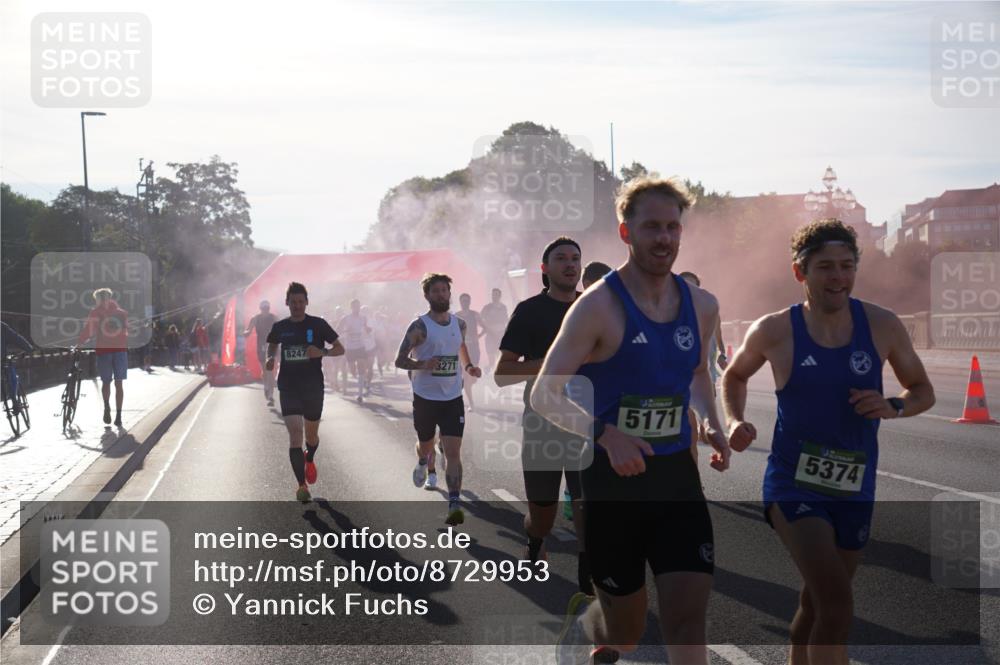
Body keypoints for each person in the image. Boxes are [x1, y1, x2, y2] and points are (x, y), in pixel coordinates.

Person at [531, 175, 730, 664]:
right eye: (651, 227)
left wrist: (711, 422)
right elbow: (544, 393)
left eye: (672, 227)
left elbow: (699, 374)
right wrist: (605, 434)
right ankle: (588, 627)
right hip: (611, 485)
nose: (663, 238)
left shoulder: (702, 306)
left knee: (687, 622)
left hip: (676, 480)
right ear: (626, 232)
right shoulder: (597, 306)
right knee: (627, 633)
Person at [722, 218, 935, 665]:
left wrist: (893, 405)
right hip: (793, 484)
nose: (838, 277)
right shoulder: (774, 330)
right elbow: (735, 374)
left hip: (855, 485)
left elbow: (922, 391)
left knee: (817, 602)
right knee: (837, 602)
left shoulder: (881, 324)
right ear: (801, 272)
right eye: (825, 267)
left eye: (846, 266)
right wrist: (734, 419)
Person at [495, 237, 592, 595]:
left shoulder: (594, 308)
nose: (570, 264)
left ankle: (588, 576)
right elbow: (502, 374)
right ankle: (536, 541)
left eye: (575, 258)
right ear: (545, 269)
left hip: (588, 426)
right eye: (561, 258)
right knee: (542, 517)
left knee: (588, 508)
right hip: (542, 425)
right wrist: (552, 364)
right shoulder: (529, 310)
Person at [395, 273, 481, 525]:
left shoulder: (460, 324)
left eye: (445, 290)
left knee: (453, 451)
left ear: (449, 293)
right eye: (436, 291)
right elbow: (399, 360)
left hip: (453, 397)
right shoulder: (419, 327)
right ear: (427, 296)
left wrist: (469, 367)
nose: (441, 294)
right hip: (425, 397)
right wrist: (423, 363)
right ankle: (423, 459)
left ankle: (454, 502)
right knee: (427, 444)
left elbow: (460, 347)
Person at [265, 282, 344, 503]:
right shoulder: (280, 326)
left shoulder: (318, 325)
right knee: (295, 436)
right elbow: (271, 344)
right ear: (287, 303)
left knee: (311, 436)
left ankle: (310, 458)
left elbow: (340, 348)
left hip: (313, 387)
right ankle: (301, 485)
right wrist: (270, 358)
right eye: (293, 302)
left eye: (301, 302)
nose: (297, 306)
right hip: (288, 386)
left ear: (307, 302)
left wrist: (322, 352)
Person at [78, 288, 129, 428]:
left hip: (104, 351)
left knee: (106, 382)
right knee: (119, 384)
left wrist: (80, 343)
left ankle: (107, 406)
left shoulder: (96, 312)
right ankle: (119, 416)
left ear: (99, 298)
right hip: (120, 351)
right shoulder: (121, 313)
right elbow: (125, 332)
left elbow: (89, 330)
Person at [680, 272, 729, 389]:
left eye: (693, 286)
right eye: (685, 285)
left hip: (707, 376)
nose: (690, 290)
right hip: (682, 379)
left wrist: (722, 356)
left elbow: (719, 340)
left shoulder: (711, 311)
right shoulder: (671, 314)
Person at [245, 300, 278, 406]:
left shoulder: (274, 318)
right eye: (263, 309)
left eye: (267, 308)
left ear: (269, 308)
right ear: (260, 309)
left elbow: (282, 328)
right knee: (264, 369)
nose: (265, 311)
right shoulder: (255, 318)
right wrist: (246, 333)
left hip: (272, 345)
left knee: (270, 369)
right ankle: (266, 386)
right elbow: (248, 330)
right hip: (261, 346)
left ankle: (271, 395)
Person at [339, 299, 372, 403]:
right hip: (350, 347)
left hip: (360, 346)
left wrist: (368, 329)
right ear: (351, 307)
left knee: (361, 366)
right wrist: (345, 331)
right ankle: (361, 381)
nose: (356, 309)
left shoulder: (363, 318)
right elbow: (337, 329)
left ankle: (360, 394)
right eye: (354, 307)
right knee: (352, 370)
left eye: (358, 306)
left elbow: (367, 328)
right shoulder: (346, 318)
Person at [455, 293, 483, 412]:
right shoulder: (456, 316)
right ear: (460, 302)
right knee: (467, 377)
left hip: (474, 349)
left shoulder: (475, 315)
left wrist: (478, 336)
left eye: (467, 301)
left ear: (470, 302)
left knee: (473, 378)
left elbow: (485, 327)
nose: (465, 303)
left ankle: (467, 385)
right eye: (463, 301)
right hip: (462, 349)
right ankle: (471, 403)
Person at [480, 288, 509, 374]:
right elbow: (480, 319)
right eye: (493, 294)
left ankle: (497, 373)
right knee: (491, 356)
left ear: (499, 296)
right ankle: (490, 369)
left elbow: (505, 320)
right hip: (490, 335)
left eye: (496, 294)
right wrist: (487, 327)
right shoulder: (487, 307)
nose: (494, 296)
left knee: (499, 356)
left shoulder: (503, 307)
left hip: (500, 334)